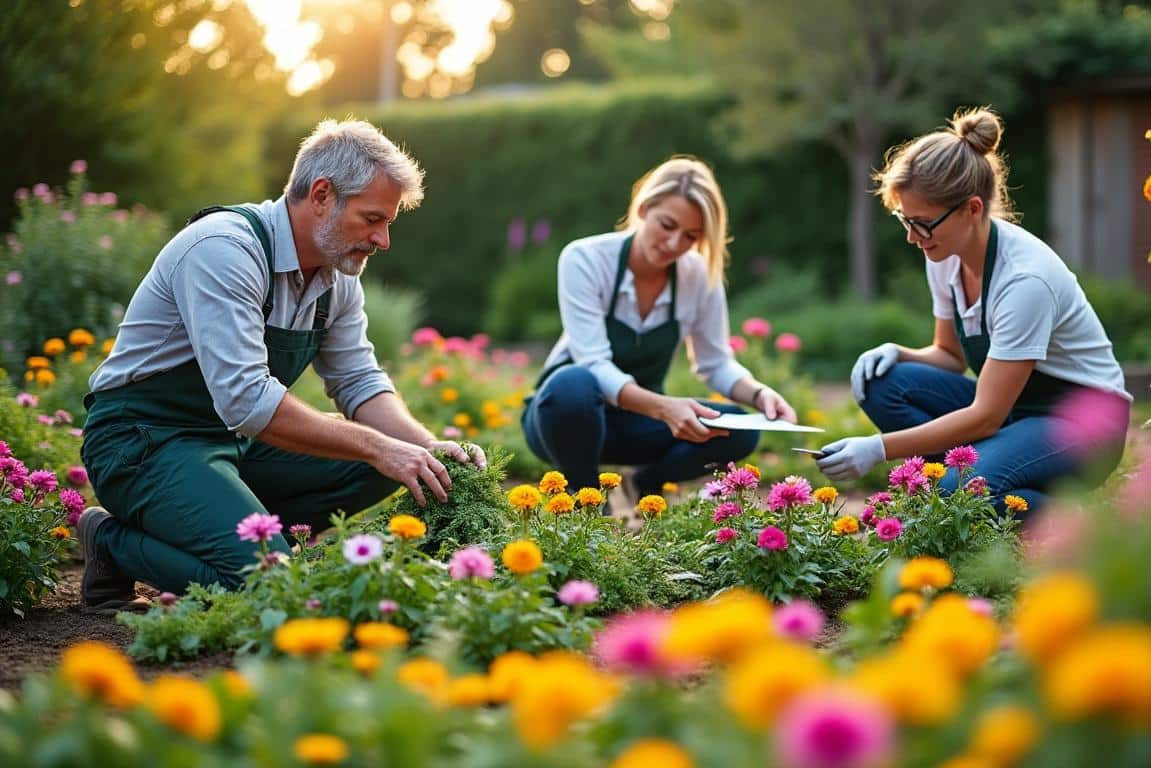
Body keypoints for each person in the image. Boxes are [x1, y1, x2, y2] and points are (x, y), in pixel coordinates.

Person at [76, 119, 485, 612]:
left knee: (391, 464)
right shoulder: (224, 250)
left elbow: (358, 381)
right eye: (372, 219)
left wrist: (424, 447)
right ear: (322, 195)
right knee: (269, 584)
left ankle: (235, 530)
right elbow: (247, 400)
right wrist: (379, 446)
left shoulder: (337, 277)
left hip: (234, 443)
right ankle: (110, 542)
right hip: (143, 442)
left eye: (388, 223)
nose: (383, 239)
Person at [817, 108, 1131, 514]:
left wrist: (877, 448)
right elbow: (950, 356)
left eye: (922, 223)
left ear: (973, 208)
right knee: (884, 385)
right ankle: (964, 489)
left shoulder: (1024, 281)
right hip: (1015, 412)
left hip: (1082, 423)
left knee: (959, 493)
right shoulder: (944, 253)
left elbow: (985, 417)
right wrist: (897, 352)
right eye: (905, 220)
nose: (913, 237)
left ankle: (1072, 520)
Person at [522, 157, 797, 501]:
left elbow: (715, 363)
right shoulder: (585, 259)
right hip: (562, 423)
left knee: (738, 429)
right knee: (572, 384)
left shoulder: (699, 276)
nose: (674, 244)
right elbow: (593, 362)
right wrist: (665, 408)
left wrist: (759, 394)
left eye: (691, 236)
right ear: (644, 208)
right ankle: (587, 498)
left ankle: (647, 484)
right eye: (667, 225)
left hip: (637, 426)